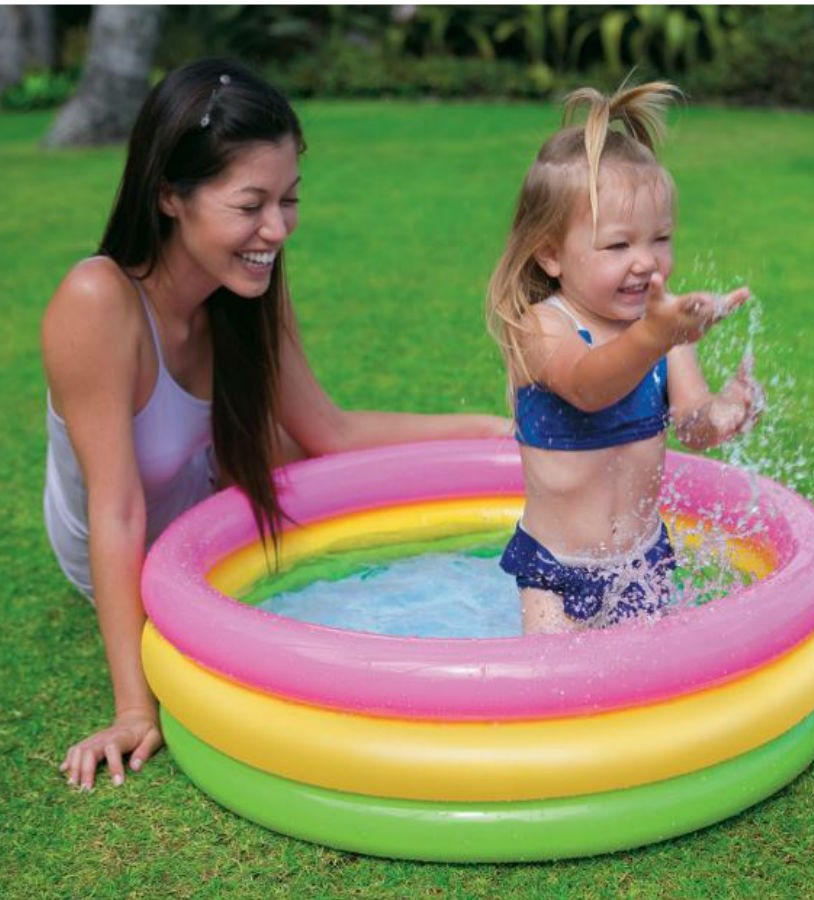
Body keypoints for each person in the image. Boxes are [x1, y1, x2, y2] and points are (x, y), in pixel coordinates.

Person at [42, 58, 507, 790]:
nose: (276, 228)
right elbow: (117, 510)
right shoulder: (98, 302)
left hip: (209, 483)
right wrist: (135, 708)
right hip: (131, 527)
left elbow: (331, 432)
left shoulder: (246, 282)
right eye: (250, 203)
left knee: (303, 462)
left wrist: (487, 433)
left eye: (288, 200)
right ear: (170, 196)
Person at [486, 81, 763, 635]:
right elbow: (590, 385)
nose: (646, 262)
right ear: (550, 253)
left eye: (659, 239)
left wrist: (724, 413)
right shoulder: (543, 326)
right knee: (556, 699)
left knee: (646, 700)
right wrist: (656, 335)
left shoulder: (661, 331)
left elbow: (691, 423)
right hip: (557, 573)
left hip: (642, 561)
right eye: (618, 246)